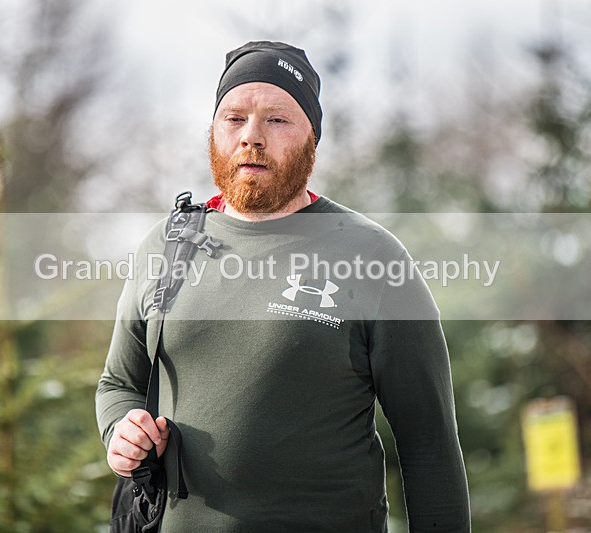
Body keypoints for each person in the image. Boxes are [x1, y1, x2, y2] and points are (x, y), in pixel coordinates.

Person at [96, 41, 471, 532]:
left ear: (311, 138)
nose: (252, 137)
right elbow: (118, 383)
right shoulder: (166, 247)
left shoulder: (371, 256)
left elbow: (429, 443)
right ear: (213, 131)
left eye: (277, 120)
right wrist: (120, 432)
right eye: (234, 118)